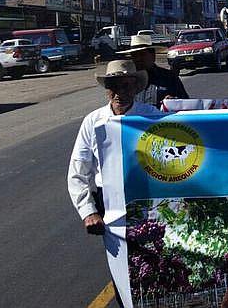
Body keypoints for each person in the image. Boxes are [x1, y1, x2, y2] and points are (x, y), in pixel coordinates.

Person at [67, 60, 162, 305]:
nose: (120, 92)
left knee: (156, 265)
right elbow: (78, 171)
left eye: (126, 85)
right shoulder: (93, 121)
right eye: (114, 86)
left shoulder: (151, 117)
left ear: (135, 88)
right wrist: (88, 211)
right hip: (109, 204)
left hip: (148, 202)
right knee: (122, 269)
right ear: (106, 88)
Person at [118, 34, 188, 107]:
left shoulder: (169, 78)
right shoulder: (127, 81)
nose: (138, 59)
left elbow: (186, 105)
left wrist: (175, 103)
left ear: (153, 55)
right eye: (134, 55)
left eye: (142, 54)